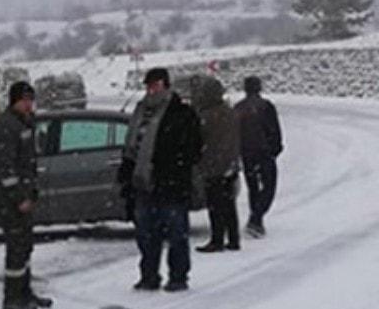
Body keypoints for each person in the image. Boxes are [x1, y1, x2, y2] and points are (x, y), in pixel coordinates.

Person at [119, 68, 203, 292]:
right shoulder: (139, 111)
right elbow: (131, 147)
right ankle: (149, 275)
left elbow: (193, 148)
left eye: (155, 85)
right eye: (148, 85)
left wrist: (173, 168)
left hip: (171, 185)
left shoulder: (181, 113)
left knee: (176, 234)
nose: (151, 90)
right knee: (146, 235)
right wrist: (127, 175)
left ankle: (178, 276)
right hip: (143, 184)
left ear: (166, 85)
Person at [0, 81, 52, 309]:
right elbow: (4, 169)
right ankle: (12, 298)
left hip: (24, 195)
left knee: (25, 246)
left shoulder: (25, 123)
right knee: (16, 247)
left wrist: (32, 192)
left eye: (30, 100)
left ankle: (25, 292)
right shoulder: (7, 126)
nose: (28, 104)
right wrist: (18, 198)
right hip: (10, 201)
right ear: (14, 101)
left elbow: (28, 163)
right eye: (24, 100)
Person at [191, 76, 241, 253]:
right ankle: (234, 239)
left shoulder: (206, 116)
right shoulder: (230, 112)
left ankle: (217, 239)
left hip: (213, 166)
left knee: (215, 205)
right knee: (229, 204)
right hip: (231, 164)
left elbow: (198, 139)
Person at [234, 76, 283, 237]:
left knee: (253, 187)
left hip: (247, 154)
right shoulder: (266, 106)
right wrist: (275, 149)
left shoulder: (238, 108)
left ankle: (256, 220)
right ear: (259, 88)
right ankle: (256, 218)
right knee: (269, 187)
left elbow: (234, 134)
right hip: (264, 153)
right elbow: (274, 130)